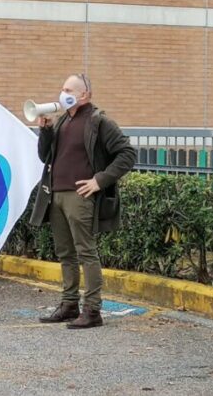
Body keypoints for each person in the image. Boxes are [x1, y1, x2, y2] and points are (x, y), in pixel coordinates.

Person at [29, 73, 136, 329]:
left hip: (80, 196)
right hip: (56, 194)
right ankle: (68, 304)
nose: (62, 93)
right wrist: (44, 130)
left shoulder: (99, 122)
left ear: (84, 95)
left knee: (86, 252)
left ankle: (92, 310)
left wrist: (99, 180)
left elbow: (127, 154)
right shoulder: (62, 121)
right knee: (65, 252)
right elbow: (45, 156)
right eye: (62, 88)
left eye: (69, 89)